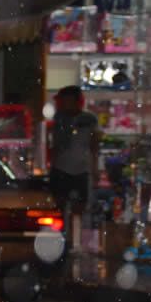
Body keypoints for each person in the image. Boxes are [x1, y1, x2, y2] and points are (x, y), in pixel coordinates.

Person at [48, 86, 101, 247]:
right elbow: (55, 146)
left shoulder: (88, 120)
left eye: (66, 100)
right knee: (59, 209)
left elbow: (94, 146)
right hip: (61, 169)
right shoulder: (59, 119)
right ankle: (61, 241)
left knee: (78, 209)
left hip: (80, 170)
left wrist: (95, 169)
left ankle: (73, 242)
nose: (63, 104)